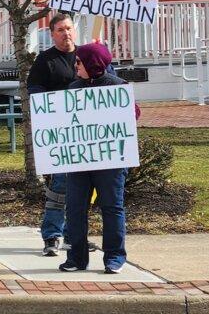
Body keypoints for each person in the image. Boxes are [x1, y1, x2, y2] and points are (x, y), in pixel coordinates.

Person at [59, 42, 132, 274]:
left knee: (112, 207)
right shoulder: (73, 88)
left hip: (110, 161)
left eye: (79, 61)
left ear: (93, 63)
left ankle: (114, 257)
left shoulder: (118, 86)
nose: (75, 65)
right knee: (75, 208)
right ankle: (76, 258)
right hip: (80, 160)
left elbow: (133, 114)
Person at [28, 13, 96, 257]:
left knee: (83, 190)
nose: (66, 33)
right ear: (51, 33)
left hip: (87, 134)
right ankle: (51, 235)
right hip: (61, 134)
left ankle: (75, 236)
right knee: (59, 187)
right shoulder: (45, 61)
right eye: (60, 30)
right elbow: (35, 93)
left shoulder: (87, 57)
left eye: (69, 28)